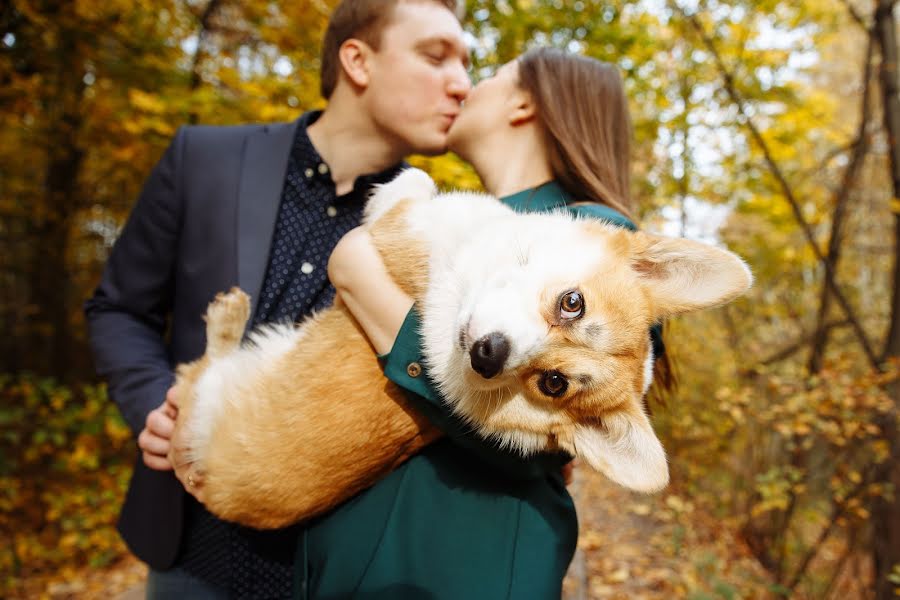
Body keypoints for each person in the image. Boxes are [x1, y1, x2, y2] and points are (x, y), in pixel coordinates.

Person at [83, 0, 470, 597]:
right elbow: (118, 309)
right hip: (189, 550)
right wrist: (152, 407)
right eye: (435, 56)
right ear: (357, 61)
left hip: (344, 569)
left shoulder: (433, 229)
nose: (462, 85)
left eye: (467, 64)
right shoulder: (202, 159)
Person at [319, 47, 672, 598]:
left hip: (456, 564)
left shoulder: (589, 235)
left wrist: (362, 277)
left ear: (524, 103)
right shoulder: (467, 225)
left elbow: (548, 433)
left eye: (485, 76)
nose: (460, 87)